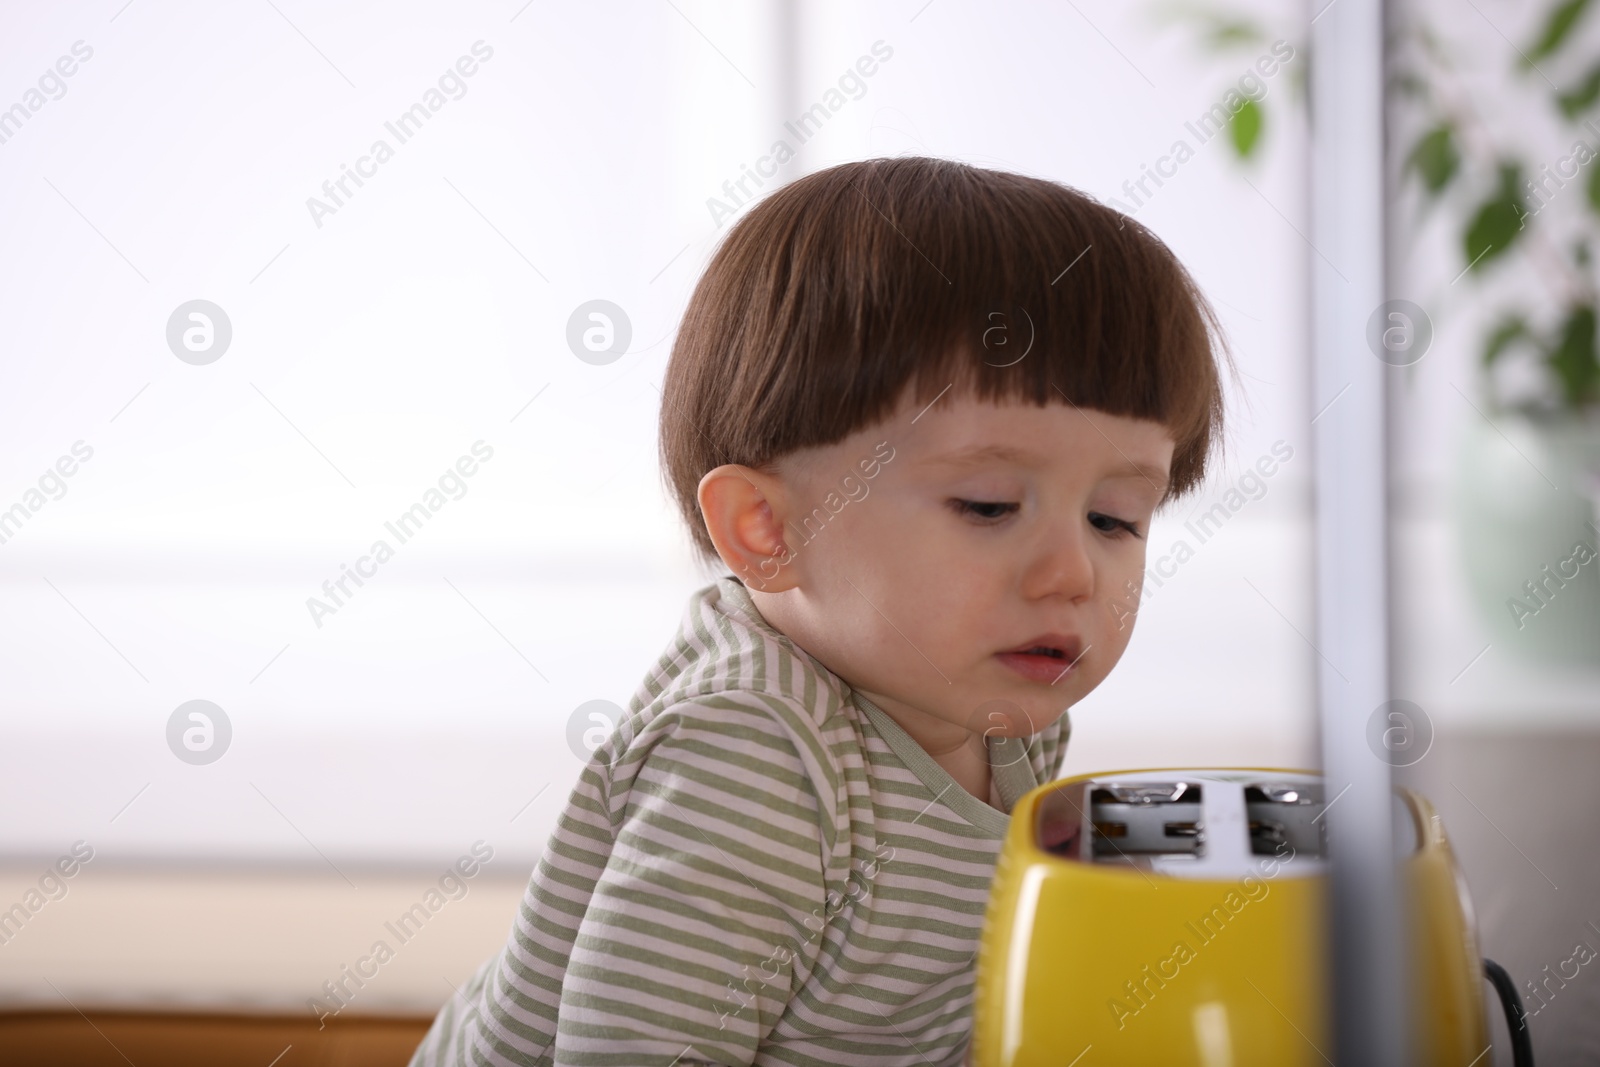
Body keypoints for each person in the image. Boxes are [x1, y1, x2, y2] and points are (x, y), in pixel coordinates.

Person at [408, 155, 1232, 1067]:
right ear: (768, 529)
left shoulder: (1007, 711)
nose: (1073, 572)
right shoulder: (754, 751)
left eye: (1116, 517)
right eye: (991, 505)